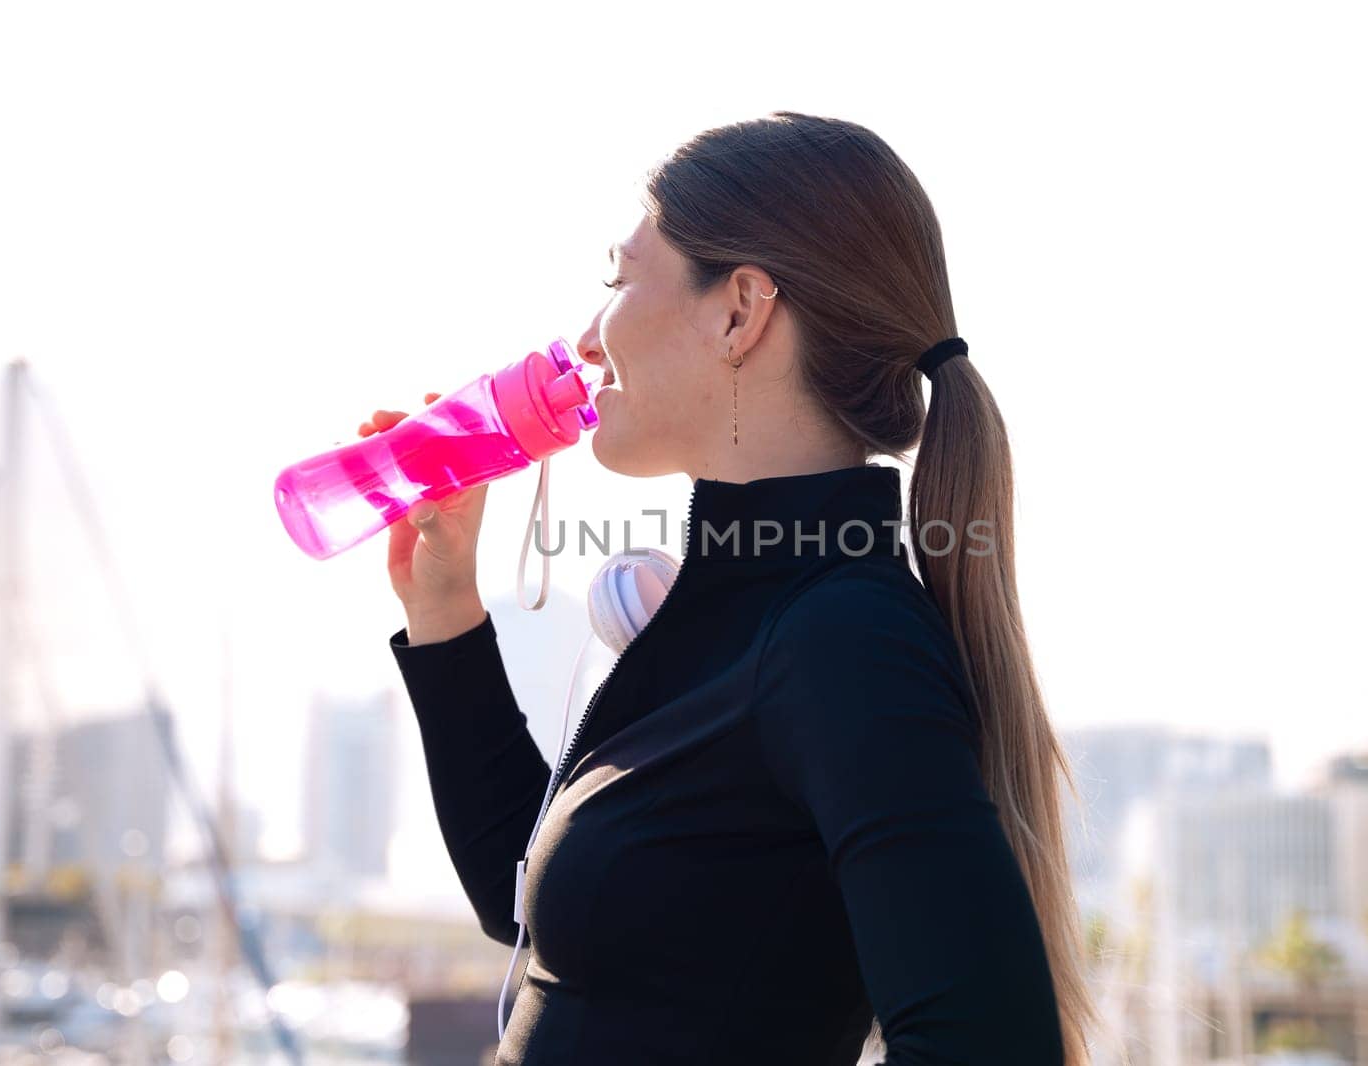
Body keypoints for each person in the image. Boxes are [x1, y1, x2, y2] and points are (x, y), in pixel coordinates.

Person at [360, 111, 1094, 1065]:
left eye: (618, 281)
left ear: (740, 312)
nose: (586, 337)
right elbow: (535, 915)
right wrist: (445, 609)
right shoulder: (745, 607)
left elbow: (989, 1050)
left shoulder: (845, 638)